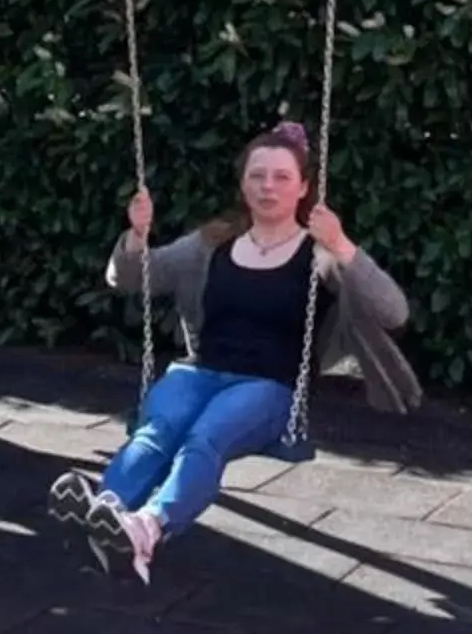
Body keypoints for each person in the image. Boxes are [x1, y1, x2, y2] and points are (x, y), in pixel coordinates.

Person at [50, 119, 417, 586]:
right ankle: (107, 515)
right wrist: (137, 235)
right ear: (243, 185)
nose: (268, 187)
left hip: (269, 388)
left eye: (282, 177)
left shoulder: (319, 254)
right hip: (199, 371)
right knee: (156, 431)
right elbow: (130, 278)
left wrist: (342, 243)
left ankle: (148, 527)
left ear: (304, 187)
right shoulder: (211, 245)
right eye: (257, 176)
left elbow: (393, 311)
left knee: (206, 437)